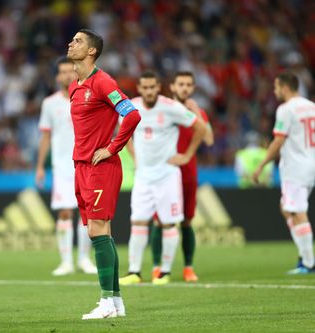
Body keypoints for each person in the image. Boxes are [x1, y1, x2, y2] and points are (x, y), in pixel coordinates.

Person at [67, 29, 141, 319]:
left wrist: (112, 148)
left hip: (100, 167)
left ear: (92, 51)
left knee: (98, 231)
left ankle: (106, 302)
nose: (71, 44)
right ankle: (117, 303)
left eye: (78, 41)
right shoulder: (75, 86)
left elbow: (132, 114)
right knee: (100, 232)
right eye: (72, 40)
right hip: (81, 166)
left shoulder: (103, 82)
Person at [118, 71, 206, 286]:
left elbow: (200, 127)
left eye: (152, 87)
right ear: (139, 89)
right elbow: (125, 132)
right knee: (138, 222)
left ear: (159, 88)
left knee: (168, 223)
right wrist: (134, 157)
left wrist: (186, 156)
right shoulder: (132, 106)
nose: (149, 91)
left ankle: (164, 272)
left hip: (167, 176)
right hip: (143, 176)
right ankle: (134, 272)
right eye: (145, 88)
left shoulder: (170, 107)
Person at [35, 56, 97, 276]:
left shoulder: (88, 96)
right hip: (62, 166)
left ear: (76, 71)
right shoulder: (49, 103)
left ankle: (83, 260)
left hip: (86, 164)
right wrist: (40, 166)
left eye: (69, 71)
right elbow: (45, 137)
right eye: (61, 72)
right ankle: (66, 262)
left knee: (86, 213)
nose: (66, 75)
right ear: (57, 76)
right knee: (64, 213)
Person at [253, 72, 315, 274]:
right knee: (286, 208)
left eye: (276, 87)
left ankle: (308, 262)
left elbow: (278, 141)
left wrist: (262, 164)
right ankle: (304, 256)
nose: (275, 90)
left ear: (286, 88)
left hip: (295, 167)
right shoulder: (311, 106)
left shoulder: (286, 110)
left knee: (298, 212)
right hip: (311, 164)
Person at [170, 71, 214, 282]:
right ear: (172, 87)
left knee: (187, 221)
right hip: (166, 173)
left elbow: (209, 140)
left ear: (193, 88)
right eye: (181, 84)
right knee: (162, 221)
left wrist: (196, 112)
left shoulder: (198, 112)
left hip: (188, 173)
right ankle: (159, 268)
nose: (185, 88)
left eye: (188, 84)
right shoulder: (164, 109)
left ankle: (188, 267)